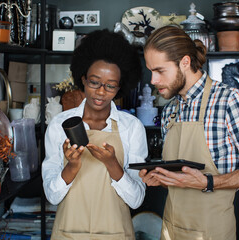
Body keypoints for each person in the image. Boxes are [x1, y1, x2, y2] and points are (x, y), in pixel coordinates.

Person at [139, 25, 239, 240]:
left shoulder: (230, 101)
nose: (152, 80)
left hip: (212, 232)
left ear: (184, 62)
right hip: (170, 229)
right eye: (151, 71)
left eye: (159, 71)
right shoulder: (170, 111)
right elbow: (183, 176)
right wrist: (163, 177)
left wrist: (208, 182)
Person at [42, 29, 148, 240]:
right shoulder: (59, 125)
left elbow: (136, 200)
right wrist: (72, 167)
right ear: (83, 78)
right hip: (69, 233)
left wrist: (112, 165)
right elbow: (52, 196)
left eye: (110, 86)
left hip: (116, 234)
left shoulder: (132, 127)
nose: (101, 92)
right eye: (94, 82)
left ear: (120, 88)